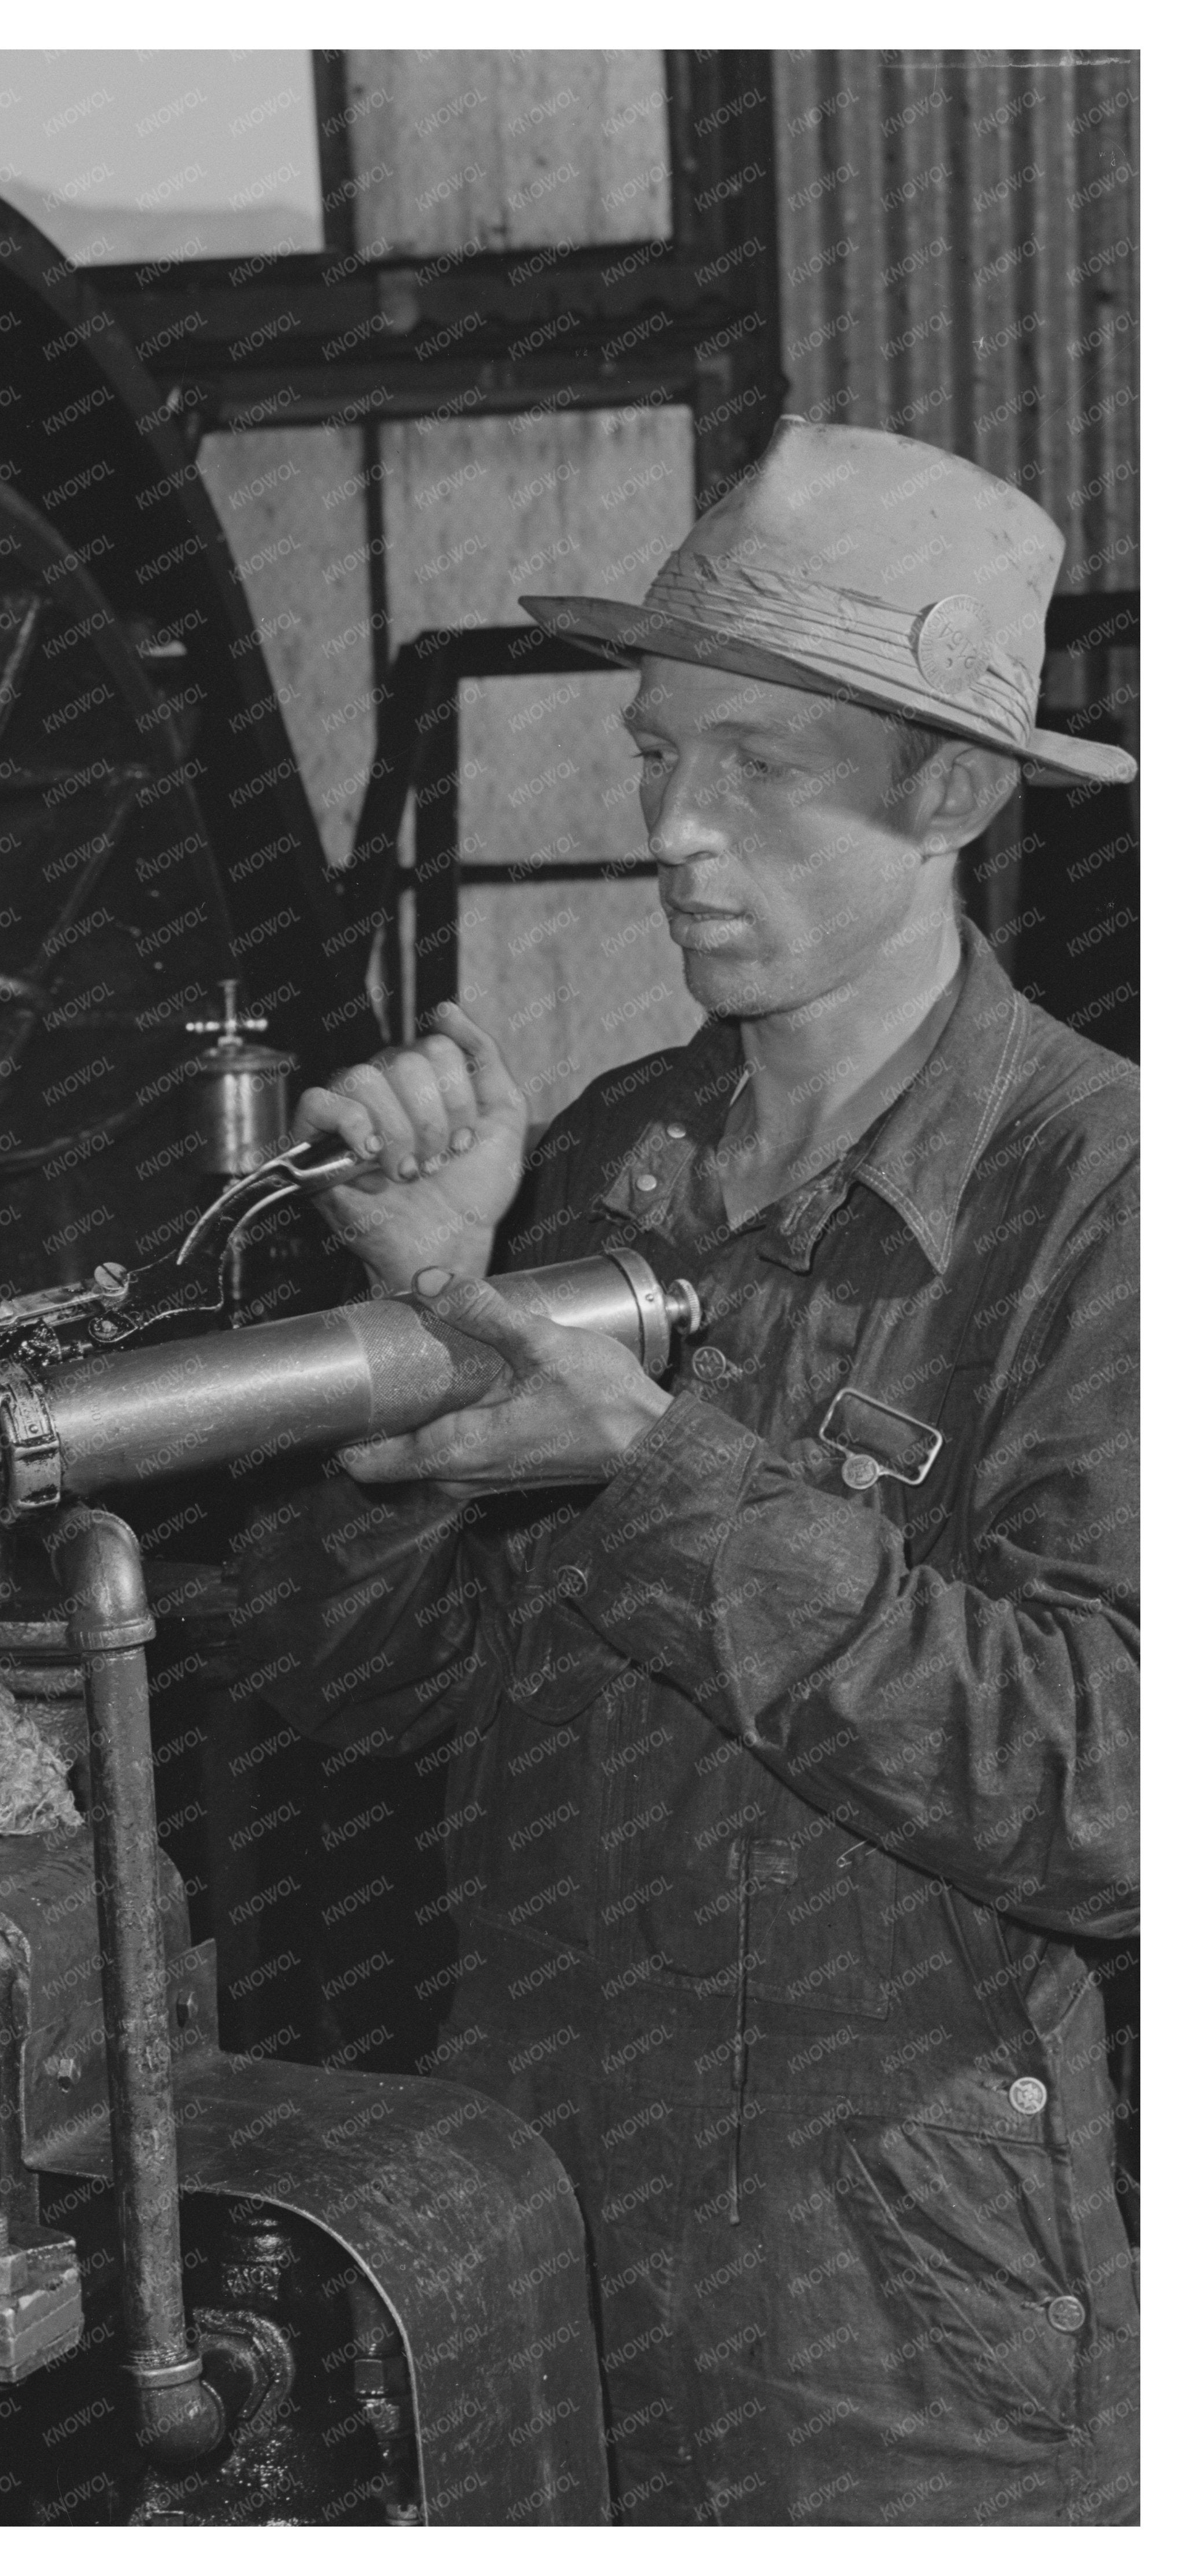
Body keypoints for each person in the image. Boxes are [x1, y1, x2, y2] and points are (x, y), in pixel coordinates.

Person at [230, 421, 1137, 2523]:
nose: (675, 832)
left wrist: (653, 1476)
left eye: (760, 768)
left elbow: (1110, 1791)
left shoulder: (1100, 1203)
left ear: (955, 795)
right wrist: (418, 1360)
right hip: (529, 2231)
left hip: (896, 2324)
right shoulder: (613, 1159)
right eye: (657, 754)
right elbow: (360, 1707)